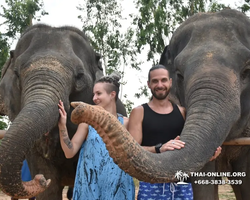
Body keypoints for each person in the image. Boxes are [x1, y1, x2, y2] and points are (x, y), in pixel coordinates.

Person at [128, 64, 221, 200]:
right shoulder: (139, 112)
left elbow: (190, 149)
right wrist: (159, 148)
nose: (160, 85)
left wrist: (208, 155)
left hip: (182, 181)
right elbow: (132, 151)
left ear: (170, 82)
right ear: (148, 84)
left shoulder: (183, 112)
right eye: (155, 81)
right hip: (152, 182)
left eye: (164, 80)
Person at [58, 72, 135, 200]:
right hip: (89, 188)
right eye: (94, 94)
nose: (94, 98)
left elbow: (134, 155)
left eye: (98, 94)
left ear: (112, 95)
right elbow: (69, 152)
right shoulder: (87, 123)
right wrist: (62, 126)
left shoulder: (126, 123)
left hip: (119, 188)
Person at [0, 130, 35, 200]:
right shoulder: (16, 140)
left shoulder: (33, 139)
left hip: (30, 167)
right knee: (15, 193)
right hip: (18, 168)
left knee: (32, 193)